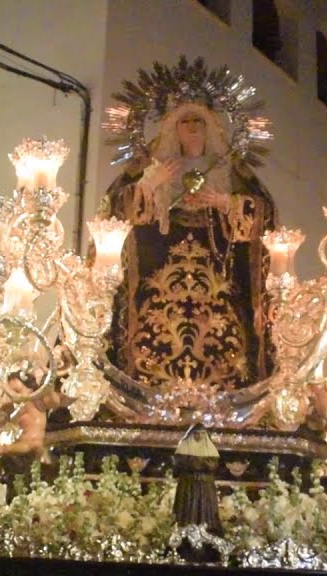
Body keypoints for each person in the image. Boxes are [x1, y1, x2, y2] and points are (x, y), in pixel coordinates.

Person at [102, 96, 275, 393]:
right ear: (173, 129)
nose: (192, 127)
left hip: (217, 271)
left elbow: (264, 216)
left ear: (211, 129)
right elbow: (115, 215)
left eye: (199, 121)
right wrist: (150, 185)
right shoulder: (152, 166)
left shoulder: (231, 169)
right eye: (185, 121)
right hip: (159, 264)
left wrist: (225, 203)